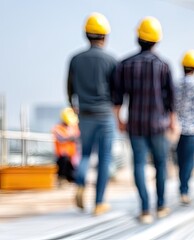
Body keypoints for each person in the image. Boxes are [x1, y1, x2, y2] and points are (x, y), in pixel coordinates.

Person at [111, 16, 176, 224]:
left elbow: (117, 96)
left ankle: (145, 208)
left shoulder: (125, 65)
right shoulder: (163, 66)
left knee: (139, 164)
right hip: (158, 124)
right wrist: (172, 120)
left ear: (138, 37)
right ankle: (162, 204)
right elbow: (171, 99)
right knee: (160, 165)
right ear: (157, 40)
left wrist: (118, 119)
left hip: (135, 123)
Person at [67, 12, 116, 216]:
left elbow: (69, 89)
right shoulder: (111, 60)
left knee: (85, 153)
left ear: (86, 34)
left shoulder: (75, 59)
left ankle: (79, 183)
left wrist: (74, 106)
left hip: (84, 113)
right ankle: (99, 202)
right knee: (104, 158)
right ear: (104, 36)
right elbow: (116, 91)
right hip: (105, 114)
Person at [174, 49, 194, 205]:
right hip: (192, 129)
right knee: (189, 162)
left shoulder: (176, 85)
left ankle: (182, 187)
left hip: (176, 129)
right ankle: (184, 190)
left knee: (180, 161)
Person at [52, 107, 81, 183]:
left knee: (73, 177)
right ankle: (61, 178)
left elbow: (78, 137)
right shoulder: (57, 128)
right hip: (62, 159)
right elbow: (62, 138)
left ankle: (70, 178)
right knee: (64, 161)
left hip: (72, 159)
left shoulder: (74, 127)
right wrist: (72, 137)